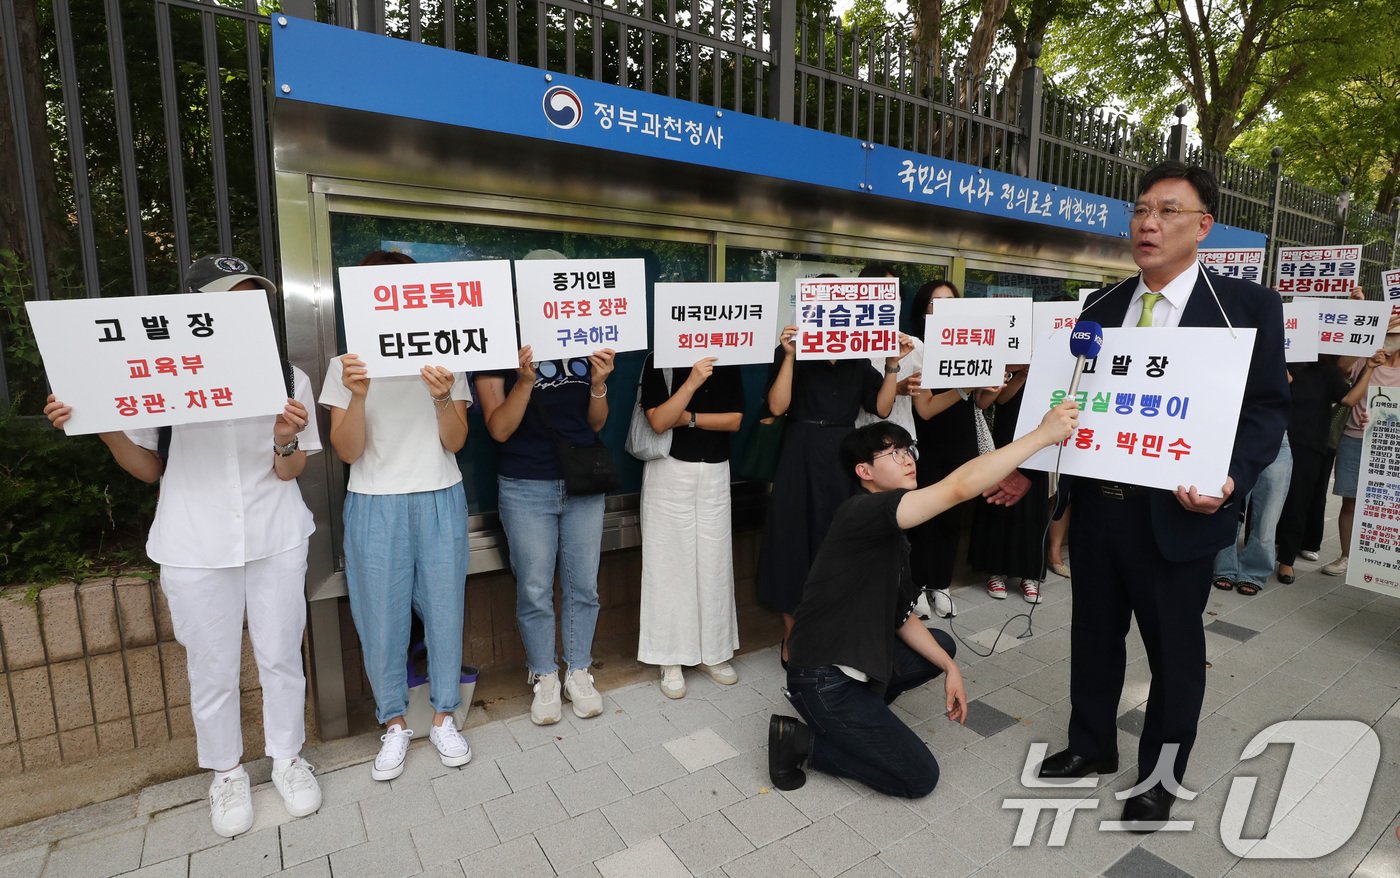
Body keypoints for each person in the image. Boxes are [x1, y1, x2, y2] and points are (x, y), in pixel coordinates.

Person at [1037, 162, 1289, 830]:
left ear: (1203, 225)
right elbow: (1072, 405)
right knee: (1093, 638)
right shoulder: (1100, 309)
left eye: (1168, 211)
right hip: (1100, 509)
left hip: (1179, 517)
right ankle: (1089, 745)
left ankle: (1160, 775)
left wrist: (1230, 476)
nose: (1148, 224)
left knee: (1174, 655)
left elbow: (1266, 411)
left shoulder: (1246, 309)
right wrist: (1032, 473)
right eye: (1141, 209)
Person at [45, 254, 323, 837]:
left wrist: (282, 439)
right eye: (231, 295)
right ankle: (225, 772)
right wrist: (99, 420)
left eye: (254, 295)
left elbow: (291, 469)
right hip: (194, 541)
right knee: (212, 667)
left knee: (279, 655)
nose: (247, 305)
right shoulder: (155, 371)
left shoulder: (286, 375)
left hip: (275, 534)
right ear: (196, 307)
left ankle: (288, 760)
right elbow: (148, 468)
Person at [768, 402, 1079, 797]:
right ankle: (802, 742)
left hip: (856, 663)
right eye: (892, 453)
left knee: (942, 645)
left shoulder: (893, 533)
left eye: (907, 450)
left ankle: (861, 717)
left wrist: (952, 669)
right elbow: (958, 487)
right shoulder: (861, 512)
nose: (907, 460)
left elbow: (902, 618)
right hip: (823, 678)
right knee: (918, 777)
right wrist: (1042, 435)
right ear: (864, 472)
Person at [320, 251, 474, 782]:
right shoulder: (347, 365)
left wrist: (441, 398)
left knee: (445, 612)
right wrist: (358, 397)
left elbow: (456, 441)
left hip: (439, 494)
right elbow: (347, 450)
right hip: (374, 500)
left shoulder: (448, 355)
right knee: (380, 619)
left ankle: (444, 716)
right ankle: (392, 724)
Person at [756, 311, 910, 665]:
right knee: (792, 538)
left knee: (839, 538)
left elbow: (882, 406)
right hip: (800, 447)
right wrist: (791, 355)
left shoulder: (857, 356)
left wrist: (891, 365)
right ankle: (792, 634)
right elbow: (778, 406)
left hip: (843, 449)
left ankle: (836, 630)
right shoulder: (792, 351)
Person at [475, 343, 616, 724]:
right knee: (534, 587)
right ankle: (544, 674)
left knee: (583, 584)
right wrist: (524, 381)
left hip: (582, 481)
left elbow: (596, 423)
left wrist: (599, 383)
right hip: (525, 484)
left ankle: (579, 671)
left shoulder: (581, 339)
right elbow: (499, 429)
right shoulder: (495, 350)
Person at [635, 353, 745, 698]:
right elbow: (659, 420)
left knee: (714, 563)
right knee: (669, 565)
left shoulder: (728, 357)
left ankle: (713, 651)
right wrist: (693, 381)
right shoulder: (659, 359)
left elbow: (735, 420)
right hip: (668, 469)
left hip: (714, 470)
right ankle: (670, 657)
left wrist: (691, 418)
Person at [907, 280, 983, 618]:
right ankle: (917, 586)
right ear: (923, 310)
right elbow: (925, 409)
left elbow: (982, 401)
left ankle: (942, 583)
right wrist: (964, 388)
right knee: (922, 516)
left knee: (952, 517)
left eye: (950, 302)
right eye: (935, 303)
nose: (942, 308)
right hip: (927, 441)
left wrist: (994, 382)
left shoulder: (972, 342)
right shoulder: (916, 347)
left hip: (962, 439)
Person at [967, 364, 1050, 602]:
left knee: (1034, 506)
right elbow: (999, 400)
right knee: (999, 500)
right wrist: (1022, 372)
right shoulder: (1012, 350)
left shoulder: (1057, 355)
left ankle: (1030, 575)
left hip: (1043, 436)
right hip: (1006, 433)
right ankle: (995, 571)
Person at [1324, 321, 1400, 576]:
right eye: (1389, 333)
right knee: (1351, 501)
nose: (1393, 338)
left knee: (1387, 506)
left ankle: (1381, 559)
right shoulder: (1365, 359)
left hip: (1390, 446)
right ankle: (1347, 555)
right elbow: (1341, 367)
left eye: (1397, 334)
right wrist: (1369, 342)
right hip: (1354, 438)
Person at [1275, 356, 1349, 582]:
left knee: (1298, 502)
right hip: (1273, 437)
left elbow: (1348, 399)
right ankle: (1255, 554)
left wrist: (1369, 368)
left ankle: (1286, 561)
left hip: (1309, 445)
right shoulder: (1281, 362)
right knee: (1264, 501)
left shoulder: (1328, 372)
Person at [1211, 437, 1291, 595]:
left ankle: (1254, 572)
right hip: (1239, 436)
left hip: (1277, 439)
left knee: (1268, 515)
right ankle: (1224, 567)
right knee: (1230, 507)